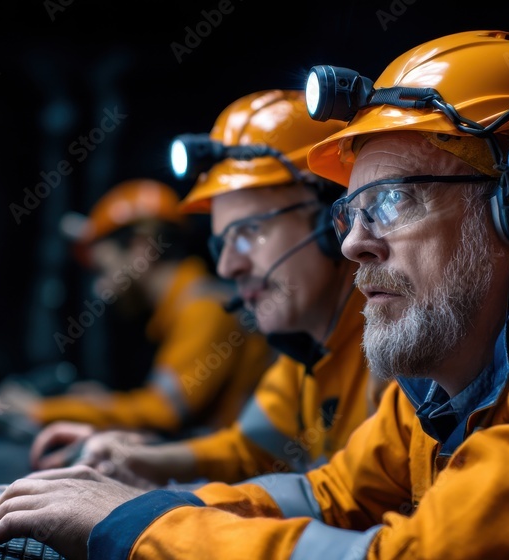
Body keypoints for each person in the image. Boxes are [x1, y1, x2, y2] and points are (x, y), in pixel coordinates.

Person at [0, 31, 509, 559]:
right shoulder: (443, 381)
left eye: (391, 204)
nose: (352, 242)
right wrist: (131, 496)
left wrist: (134, 523)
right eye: (349, 212)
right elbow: (328, 493)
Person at [37, 89, 387, 487]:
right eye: (221, 243)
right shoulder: (304, 353)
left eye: (250, 232)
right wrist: (144, 460)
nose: (227, 266)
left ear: (335, 220)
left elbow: (358, 516)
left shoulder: (400, 355)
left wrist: (144, 518)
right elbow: (249, 450)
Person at [19, 178, 274, 462]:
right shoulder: (187, 307)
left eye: (104, 268)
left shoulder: (204, 309)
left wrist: (42, 409)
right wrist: (98, 403)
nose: (100, 286)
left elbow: (163, 413)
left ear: (141, 248)